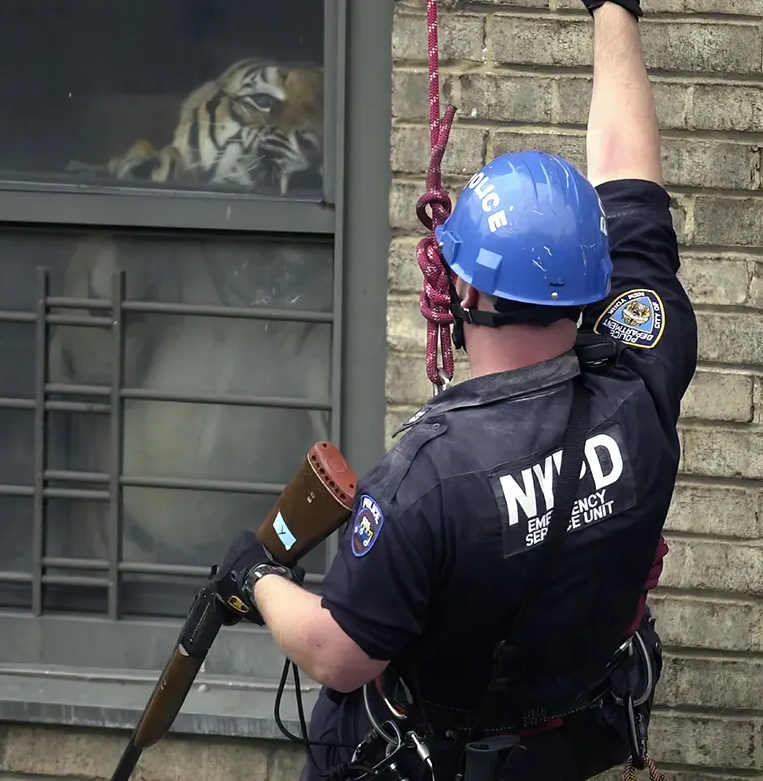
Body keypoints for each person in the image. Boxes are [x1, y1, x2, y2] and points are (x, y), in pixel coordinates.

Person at [213, 0, 697, 778]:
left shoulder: (424, 481)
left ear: (467, 294)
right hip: (573, 739)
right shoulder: (644, 365)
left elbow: (341, 656)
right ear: (589, 279)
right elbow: (630, 176)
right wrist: (616, 10)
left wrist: (258, 580)